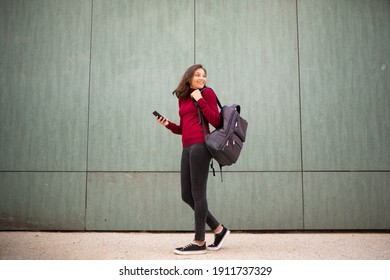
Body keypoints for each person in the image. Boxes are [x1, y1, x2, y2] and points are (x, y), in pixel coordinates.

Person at [155, 64, 230, 255]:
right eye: (197, 75)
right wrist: (168, 124)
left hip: (200, 146)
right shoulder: (182, 98)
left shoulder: (207, 93)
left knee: (198, 193)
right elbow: (184, 128)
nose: (202, 78)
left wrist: (201, 99)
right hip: (187, 147)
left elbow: (216, 121)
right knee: (186, 195)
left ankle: (199, 242)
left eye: (204, 75)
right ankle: (219, 230)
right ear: (188, 78)